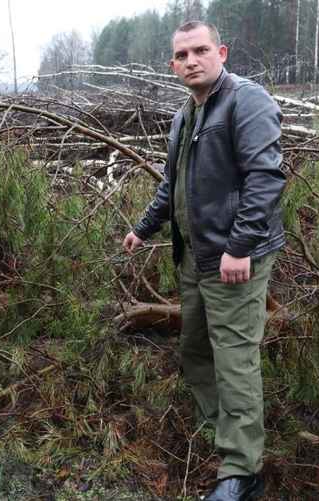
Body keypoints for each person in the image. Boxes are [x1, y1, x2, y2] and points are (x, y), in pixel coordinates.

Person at [122, 21, 285, 501]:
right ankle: (232, 433)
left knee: (234, 360)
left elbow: (266, 177)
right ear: (172, 64)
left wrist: (240, 247)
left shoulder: (245, 100)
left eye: (200, 51)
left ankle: (242, 470)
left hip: (233, 257)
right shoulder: (184, 115)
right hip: (194, 257)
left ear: (221, 52)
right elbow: (171, 185)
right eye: (181, 55)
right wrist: (142, 228)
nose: (191, 60)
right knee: (196, 352)